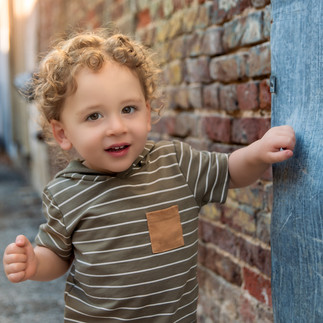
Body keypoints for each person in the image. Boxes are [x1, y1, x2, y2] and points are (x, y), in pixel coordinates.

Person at [3, 30, 295, 322]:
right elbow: (57, 256)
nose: (117, 126)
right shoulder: (65, 193)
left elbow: (230, 171)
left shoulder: (174, 164)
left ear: (147, 113)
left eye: (128, 109)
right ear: (63, 133)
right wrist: (34, 263)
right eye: (94, 116)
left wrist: (257, 153)